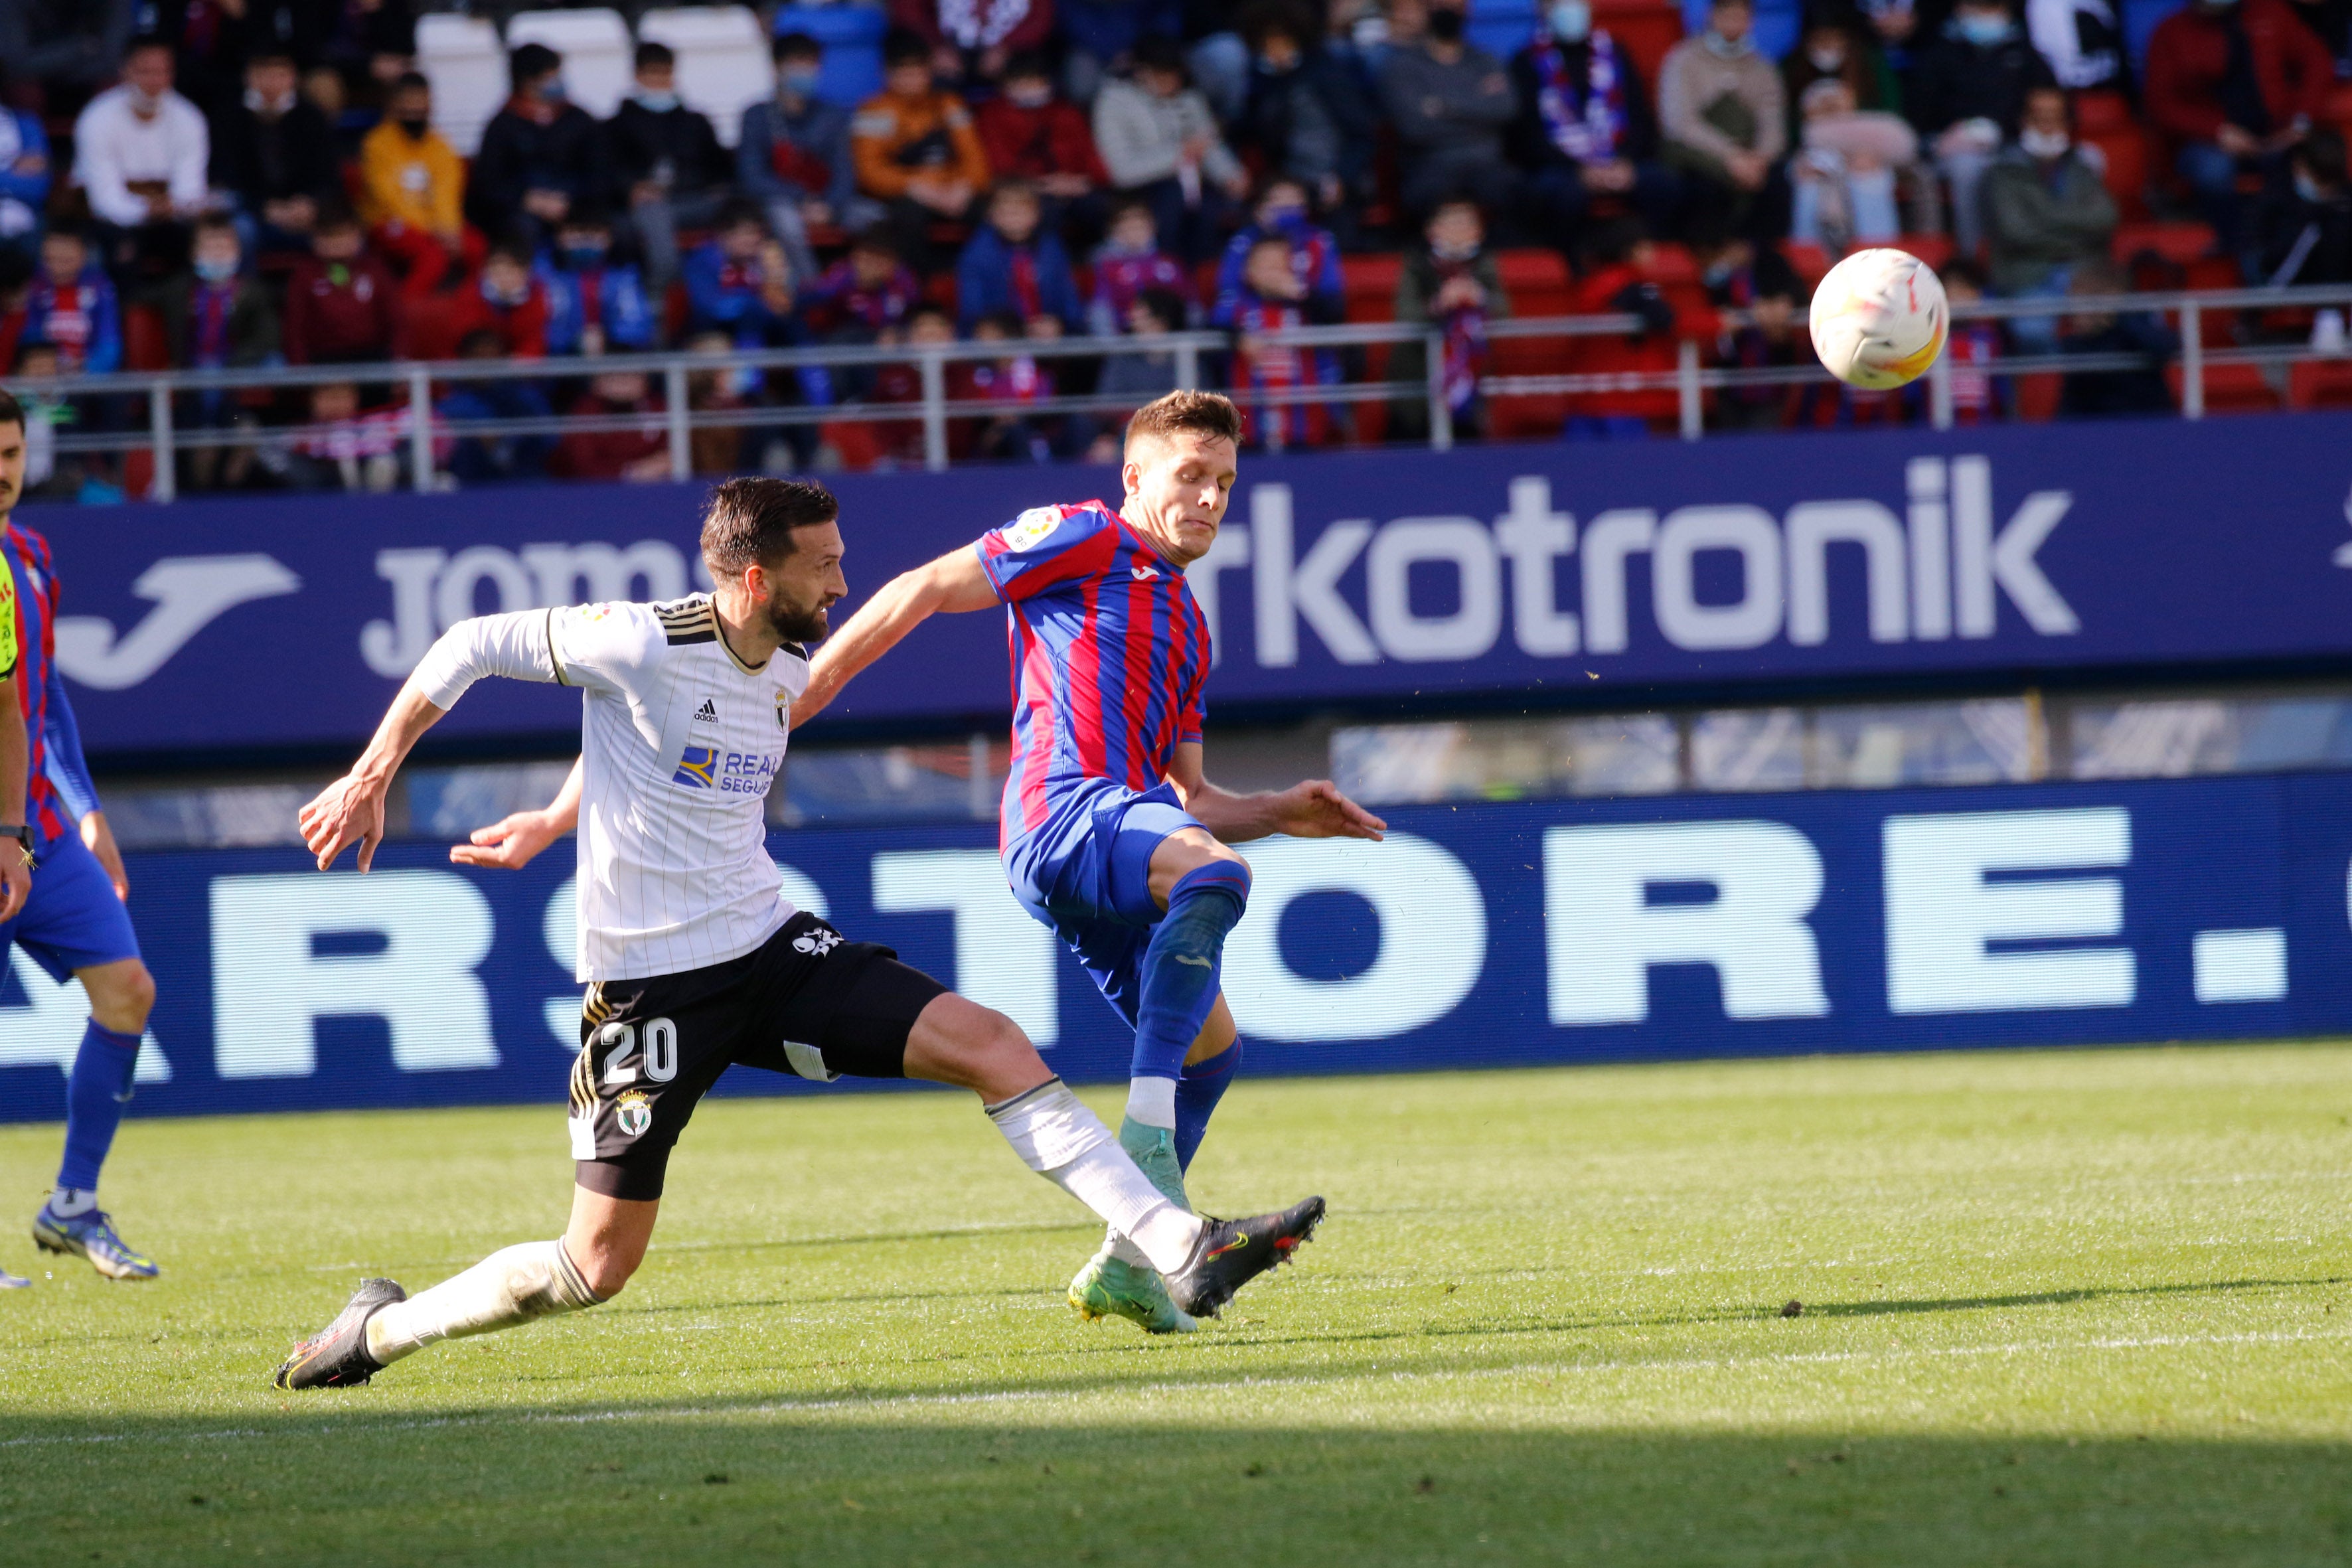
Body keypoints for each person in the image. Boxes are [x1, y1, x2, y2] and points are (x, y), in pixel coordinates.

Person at [275, 478, 1322, 1387]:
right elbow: (465, 645)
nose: (839, 583)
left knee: (993, 1045)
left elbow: (662, 741)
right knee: (594, 1266)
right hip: (649, 993)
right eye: (821, 566)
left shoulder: (783, 669)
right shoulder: (637, 640)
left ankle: (1176, 1243)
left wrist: (555, 816)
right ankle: (380, 1327)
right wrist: (372, 775)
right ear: (748, 573)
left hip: (771, 948)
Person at [789, 394, 1372, 1334]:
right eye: (1189, 476)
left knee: (1212, 1054)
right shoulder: (1084, 534)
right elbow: (924, 587)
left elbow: (1190, 805)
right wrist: (803, 696)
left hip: (1124, 832)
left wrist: (1277, 810)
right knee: (1217, 877)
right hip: (1060, 812)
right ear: (1134, 477)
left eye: (1223, 483)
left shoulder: (1189, 626)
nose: (1209, 499)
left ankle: (1128, 1266)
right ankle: (1144, 1148)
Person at [0, 390, 162, 1285]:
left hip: (41, 830)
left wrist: (88, 809)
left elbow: (42, 699)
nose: (3, 469)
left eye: (12, 451)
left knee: (129, 991)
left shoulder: (29, 553)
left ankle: (70, 1203)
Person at [2146, 0, 2336, 275]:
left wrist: (2300, 121)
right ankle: (2251, 268)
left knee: (2321, 158)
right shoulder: (2171, 32)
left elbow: (2317, 60)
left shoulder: (2270, 12)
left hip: (2277, 135)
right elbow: (2160, 104)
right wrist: (2217, 131)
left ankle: (2317, 274)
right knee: (2213, 170)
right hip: (2210, 144)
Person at [1510, 0, 1682, 256]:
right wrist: (1580, 170)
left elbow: (1639, 117)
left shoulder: (1615, 53)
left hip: (1618, 158)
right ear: (1542, 9)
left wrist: (1625, 162)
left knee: (1663, 185)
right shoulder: (1526, 62)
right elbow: (1528, 137)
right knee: (1560, 194)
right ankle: (1575, 264)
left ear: (1591, 7)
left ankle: (1652, 260)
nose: (1570, 8)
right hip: (1562, 166)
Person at [1906, 0, 2057, 256]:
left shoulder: (2026, 53)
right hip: (1951, 150)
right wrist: (1939, 140)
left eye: (1992, 8)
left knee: (2030, 163)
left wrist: (2006, 132)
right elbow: (1916, 117)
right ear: (1960, 8)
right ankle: (1976, 258)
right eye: (1979, 7)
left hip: (2013, 144)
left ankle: (2039, 258)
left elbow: (2055, 106)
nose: (1986, 16)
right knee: (1969, 168)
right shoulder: (1939, 53)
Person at [1983, 84, 2118, 354]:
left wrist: (2044, 217)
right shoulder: (2002, 172)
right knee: (2031, 331)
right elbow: (2016, 232)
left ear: (2067, 122)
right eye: (2039, 117)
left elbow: (2106, 218)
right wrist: (2077, 232)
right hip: (2028, 276)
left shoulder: (2081, 166)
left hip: (2085, 273)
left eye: (2055, 117)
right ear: (2024, 121)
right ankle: (2051, 395)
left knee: (2115, 329)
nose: (2047, 125)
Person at [1090, 37, 1249, 263]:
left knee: (1214, 207)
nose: (1171, 83)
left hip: (1191, 181)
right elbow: (1121, 171)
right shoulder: (1113, 101)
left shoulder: (1190, 97)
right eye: (1162, 75)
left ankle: (1203, 281)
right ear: (1141, 72)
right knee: (1172, 200)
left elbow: (1207, 144)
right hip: (1140, 188)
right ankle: (1166, 270)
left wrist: (1229, 175)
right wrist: (1179, 154)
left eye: (1175, 76)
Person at [156, 215, 279, 491]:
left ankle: (229, 453)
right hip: (192, 386)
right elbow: (137, 297)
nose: (216, 256)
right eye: (208, 249)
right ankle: (209, 438)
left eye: (223, 249)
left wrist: (233, 365)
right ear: (193, 254)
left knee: (242, 421)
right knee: (204, 435)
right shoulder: (179, 291)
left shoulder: (252, 293)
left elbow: (267, 338)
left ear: (238, 252)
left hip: (235, 381)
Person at [852, 29, 993, 267]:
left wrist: (966, 187)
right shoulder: (874, 111)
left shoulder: (950, 104)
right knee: (909, 215)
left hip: (951, 190)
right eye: (905, 73)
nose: (913, 80)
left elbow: (976, 159)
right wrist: (913, 186)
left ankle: (985, 279)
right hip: (906, 194)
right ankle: (918, 289)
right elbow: (870, 172)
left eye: (919, 72)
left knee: (993, 211)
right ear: (887, 74)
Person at [72, 35, 212, 272]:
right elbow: (104, 198)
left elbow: (191, 186)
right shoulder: (96, 118)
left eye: (163, 72)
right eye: (145, 72)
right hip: (108, 218)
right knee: (121, 249)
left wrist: (174, 206)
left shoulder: (190, 118)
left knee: (203, 243)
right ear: (125, 72)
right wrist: (145, 210)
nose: (155, 81)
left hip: (169, 218)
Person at [1235, 2, 1380, 224]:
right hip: (1289, 181)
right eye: (1268, 44)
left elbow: (1361, 133)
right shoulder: (1261, 82)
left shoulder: (1327, 74)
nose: (1275, 51)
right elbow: (1250, 132)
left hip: (1335, 178)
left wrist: (1342, 177)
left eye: (1282, 42)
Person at [1378, 0, 1522, 220]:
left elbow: (1505, 110)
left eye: (1456, 6)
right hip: (1429, 165)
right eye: (1440, 5)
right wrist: (1479, 111)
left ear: (1467, 11)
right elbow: (1414, 127)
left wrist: (1444, 107)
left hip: (1487, 164)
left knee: (1515, 193)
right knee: (1423, 195)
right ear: (1427, 10)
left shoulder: (1486, 60)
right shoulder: (1403, 65)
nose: (1448, 12)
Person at [609, 40, 733, 294]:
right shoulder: (617, 125)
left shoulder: (695, 121)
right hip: (645, 208)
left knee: (739, 208)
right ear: (637, 76)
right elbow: (607, 171)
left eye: (664, 73)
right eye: (652, 73)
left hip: (693, 201)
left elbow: (720, 168)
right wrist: (631, 188)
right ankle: (666, 292)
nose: (659, 81)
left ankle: (734, 289)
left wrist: (715, 188)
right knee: (653, 210)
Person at [1660, 0, 1788, 240]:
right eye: (1727, 16)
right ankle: (1712, 256)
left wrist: (1759, 159)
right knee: (1705, 185)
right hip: (1699, 151)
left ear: (1751, 21)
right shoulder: (1684, 60)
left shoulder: (1762, 67)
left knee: (1779, 182)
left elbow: (1773, 124)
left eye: (1740, 17)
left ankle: (1764, 257)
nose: (1733, 24)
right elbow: (1679, 123)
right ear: (1712, 17)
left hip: (1750, 156)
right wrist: (1731, 157)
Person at [738, 33, 860, 286]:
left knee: (874, 218)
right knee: (786, 222)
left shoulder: (833, 115)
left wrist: (829, 206)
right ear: (777, 68)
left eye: (811, 64)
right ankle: (813, 289)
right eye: (797, 63)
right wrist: (801, 200)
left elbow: (845, 171)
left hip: (829, 203)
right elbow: (752, 178)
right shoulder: (756, 116)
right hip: (781, 202)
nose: (806, 71)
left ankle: (855, 290)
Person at [1390, 197, 1510, 441]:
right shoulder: (1418, 266)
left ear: (1479, 232)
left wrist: (1481, 298)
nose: (1459, 232)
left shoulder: (1484, 267)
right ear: (1432, 231)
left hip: (1471, 380)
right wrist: (1438, 305)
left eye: (1466, 224)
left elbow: (1505, 311)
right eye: (1451, 224)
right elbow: (1405, 315)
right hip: (1418, 380)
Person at [468, 42, 605, 251]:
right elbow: (489, 183)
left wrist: (571, 201)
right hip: (521, 211)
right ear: (527, 81)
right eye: (550, 76)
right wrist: (528, 200)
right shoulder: (503, 125)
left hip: (577, 204)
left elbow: (600, 171)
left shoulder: (578, 119)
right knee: (521, 230)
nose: (557, 81)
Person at [356, 72, 480, 297]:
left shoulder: (440, 146)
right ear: (394, 104)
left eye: (420, 101)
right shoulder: (377, 144)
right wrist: (432, 230)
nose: (414, 109)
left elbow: (447, 192)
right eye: (408, 101)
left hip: (435, 227)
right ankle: (404, 314)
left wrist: (448, 228)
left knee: (476, 249)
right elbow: (387, 197)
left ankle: (468, 310)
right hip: (388, 223)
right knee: (432, 258)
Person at [212, 48, 339, 259]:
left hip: (303, 212)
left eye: (279, 75)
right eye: (263, 74)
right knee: (239, 230)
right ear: (248, 76)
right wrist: (264, 207)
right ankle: (246, 291)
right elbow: (223, 178)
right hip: (250, 211)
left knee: (343, 232)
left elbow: (328, 176)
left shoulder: (312, 117)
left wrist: (308, 203)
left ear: (293, 77)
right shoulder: (228, 117)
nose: (271, 83)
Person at [975, 50, 1112, 236]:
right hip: (1024, 189)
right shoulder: (993, 114)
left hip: (1074, 187)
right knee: (1043, 211)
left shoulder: (1066, 112)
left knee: (1103, 207)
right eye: (1019, 84)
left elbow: (1092, 158)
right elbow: (999, 164)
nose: (1027, 89)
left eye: (1033, 82)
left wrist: (1083, 182)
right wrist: (1043, 184)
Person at [1691, 214, 1805, 430]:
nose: (1731, 253)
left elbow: (1796, 301)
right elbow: (1707, 314)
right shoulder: (1718, 279)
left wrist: (1782, 307)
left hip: (1770, 378)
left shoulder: (1774, 266)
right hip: (1729, 381)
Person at [1788, 76, 1921, 251]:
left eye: (1835, 102)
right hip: (1819, 179)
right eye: (1824, 103)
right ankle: (1808, 255)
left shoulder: (1875, 127)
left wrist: (1869, 156)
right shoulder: (1805, 137)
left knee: (1869, 177)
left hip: (1874, 173)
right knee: (1809, 182)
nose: (1831, 108)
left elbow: (1905, 148)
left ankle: (1878, 251)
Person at [1212, 175, 1344, 333]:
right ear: (1260, 209)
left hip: (1306, 337)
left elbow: (1333, 305)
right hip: (1253, 332)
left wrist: (1301, 293)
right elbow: (1224, 304)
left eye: (1294, 201)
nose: (1286, 207)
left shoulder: (1319, 241)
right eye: (1278, 201)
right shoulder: (1245, 241)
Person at [956, 181, 1085, 333]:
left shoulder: (1052, 249)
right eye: (1006, 213)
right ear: (991, 216)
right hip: (1000, 333)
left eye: (1021, 211)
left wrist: (1059, 324)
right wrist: (1010, 329)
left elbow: (1068, 296)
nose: (1014, 218)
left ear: (1036, 215)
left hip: (1049, 331)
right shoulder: (976, 254)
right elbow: (972, 307)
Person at [283, 204, 400, 364]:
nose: (336, 242)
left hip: (372, 359)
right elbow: (294, 328)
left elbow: (396, 321)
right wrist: (299, 371)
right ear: (314, 238)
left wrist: (399, 362)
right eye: (328, 236)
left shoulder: (376, 270)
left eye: (343, 234)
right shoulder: (304, 275)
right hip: (322, 361)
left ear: (359, 236)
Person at [438, 327, 553, 486]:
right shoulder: (452, 406)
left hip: (524, 480)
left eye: (491, 356)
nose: (485, 365)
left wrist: (509, 440)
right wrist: (475, 440)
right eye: (478, 357)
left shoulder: (525, 398)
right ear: (465, 359)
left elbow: (549, 440)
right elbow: (440, 451)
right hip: (470, 484)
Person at [536, 208, 655, 358]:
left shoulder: (625, 276)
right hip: (556, 362)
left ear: (610, 238)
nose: (585, 240)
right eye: (576, 232)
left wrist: (608, 342)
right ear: (560, 236)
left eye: (595, 232)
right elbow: (536, 327)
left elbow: (637, 326)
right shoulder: (543, 274)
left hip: (613, 360)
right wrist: (574, 341)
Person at [2257, 127, 2352, 285]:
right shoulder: (2276, 199)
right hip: (2284, 289)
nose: (2324, 190)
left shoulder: (2346, 202)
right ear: (2299, 165)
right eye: (2319, 181)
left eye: (2328, 184)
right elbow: (2263, 258)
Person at [23, 229, 122, 376]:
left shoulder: (101, 288)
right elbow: (28, 337)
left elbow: (109, 342)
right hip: (44, 375)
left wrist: (87, 370)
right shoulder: (34, 288)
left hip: (89, 379)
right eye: (50, 259)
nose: (56, 267)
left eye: (65, 261)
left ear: (83, 256)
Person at [1088, 198, 1193, 336]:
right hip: (1126, 343)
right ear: (1116, 231)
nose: (1135, 233)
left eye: (1140, 226)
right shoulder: (1107, 267)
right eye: (1129, 227)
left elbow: (1192, 306)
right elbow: (1100, 311)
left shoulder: (1171, 263)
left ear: (1153, 228)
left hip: (1172, 342)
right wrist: (1113, 347)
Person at [550, 370, 670, 482]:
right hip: (591, 491)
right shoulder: (585, 410)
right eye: (613, 376)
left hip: (652, 485)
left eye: (630, 375)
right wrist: (630, 473)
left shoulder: (659, 407)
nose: (622, 382)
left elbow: (671, 453)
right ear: (596, 383)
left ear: (645, 381)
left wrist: (663, 463)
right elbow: (582, 464)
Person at [0, 65, 52, 277]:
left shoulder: (27, 124)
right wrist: (13, 168)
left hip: (26, 215)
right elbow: (25, 181)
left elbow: (38, 187)